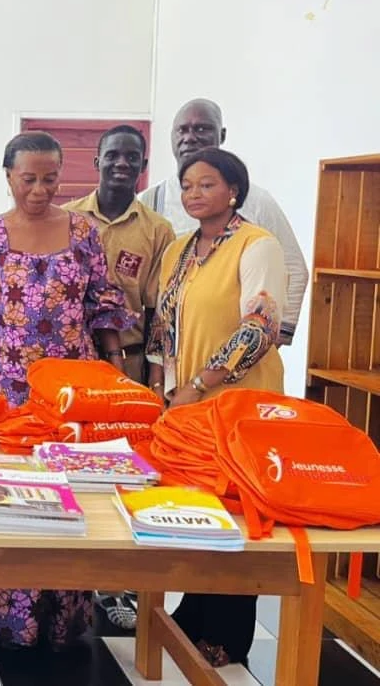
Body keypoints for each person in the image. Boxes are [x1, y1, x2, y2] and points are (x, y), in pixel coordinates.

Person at [0, 132, 135, 649]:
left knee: (69, 495)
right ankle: (7, 617)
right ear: (8, 176)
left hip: (72, 390)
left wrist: (116, 372)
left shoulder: (83, 231)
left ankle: (64, 617)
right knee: (10, 498)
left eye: (50, 179)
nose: (38, 190)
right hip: (8, 388)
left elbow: (103, 304)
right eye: (28, 179)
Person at [147, 149, 286, 667]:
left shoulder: (257, 244)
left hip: (239, 406)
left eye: (207, 184)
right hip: (187, 408)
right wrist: (162, 385)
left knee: (238, 516)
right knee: (200, 515)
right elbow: (163, 326)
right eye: (187, 185)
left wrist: (201, 382)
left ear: (234, 191)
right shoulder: (180, 249)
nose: (194, 194)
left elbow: (261, 327)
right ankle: (195, 610)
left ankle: (229, 634)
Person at [63, 124, 174, 631]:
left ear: (143, 165)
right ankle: (68, 582)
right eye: (113, 155)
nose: (122, 164)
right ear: (97, 161)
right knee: (69, 470)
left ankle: (114, 587)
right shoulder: (67, 219)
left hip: (125, 364)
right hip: (71, 366)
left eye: (132, 157)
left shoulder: (157, 230)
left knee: (120, 475)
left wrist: (152, 379)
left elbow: (159, 314)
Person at [139, 98, 306, 345]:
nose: (190, 138)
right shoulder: (151, 200)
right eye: (182, 130)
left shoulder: (257, 202)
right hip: (177, 348)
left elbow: (294, 267)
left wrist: (277, 336)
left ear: (222, 134)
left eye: (202, 128)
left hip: (238, 345)